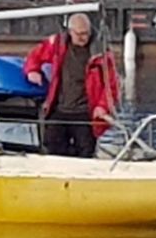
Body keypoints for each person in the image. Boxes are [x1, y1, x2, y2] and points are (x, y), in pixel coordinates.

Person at [23, 13, 120, 158]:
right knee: (52, 147)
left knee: (85, 151)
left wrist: (102, 106)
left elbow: (111, 86)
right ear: (70, 31)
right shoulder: (57, 44)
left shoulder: (101, 54)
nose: (82, 37)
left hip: (85, 113)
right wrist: (32, 70)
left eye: (85, 34)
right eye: (79, 34)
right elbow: (35, 55)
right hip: (59, 108)